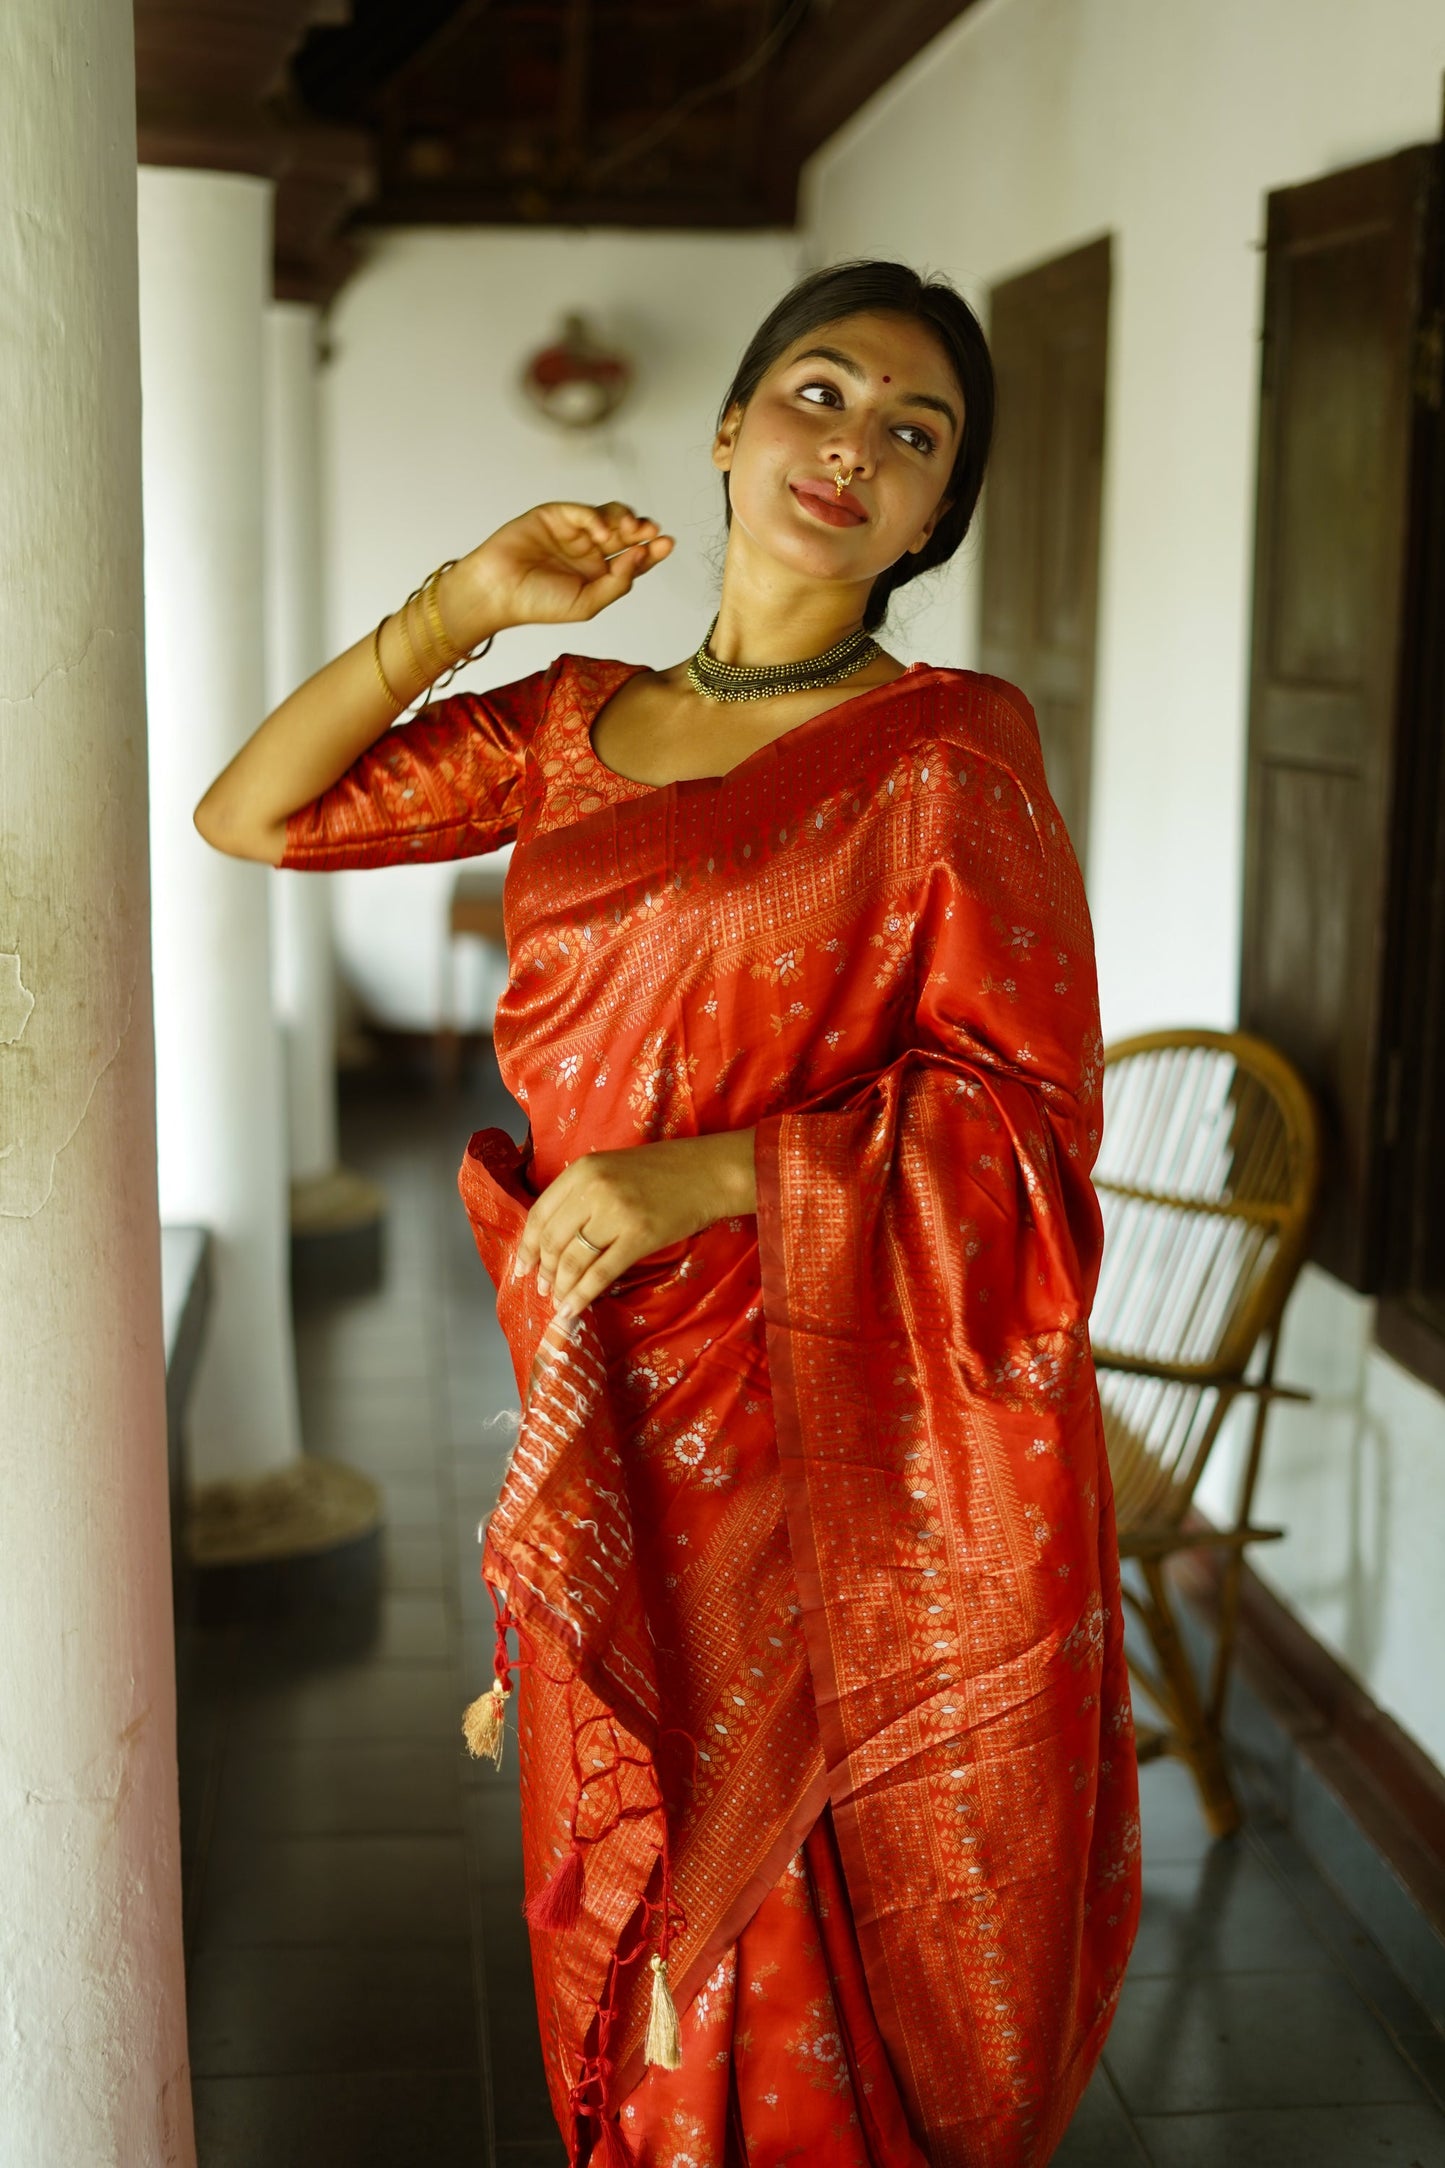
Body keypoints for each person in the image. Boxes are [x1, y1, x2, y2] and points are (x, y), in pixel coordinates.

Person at [196, 259, 1140, 2168]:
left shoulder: (949, 754)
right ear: (725, 429)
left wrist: (716, 1173)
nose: (850, 445)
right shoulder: (567, 726)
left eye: (911, 432)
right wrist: (465, 603)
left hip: (828, 1411)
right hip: (609, 1384)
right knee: (615, 1852)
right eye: (816, 391)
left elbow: (1027, 1133)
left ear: (934, 515)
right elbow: (256, 815)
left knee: (778, 1886)